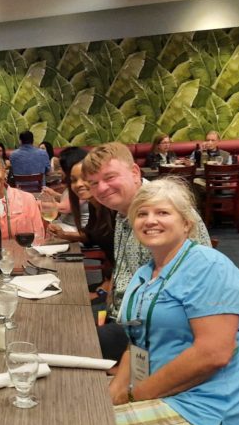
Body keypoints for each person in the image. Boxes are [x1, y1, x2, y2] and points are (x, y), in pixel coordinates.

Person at [110, 178, 239, 425]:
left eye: (162, 212)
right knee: (76, 403)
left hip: (212, 416)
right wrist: (113, 395)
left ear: (186, 223)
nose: (150, 220)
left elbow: (212, 354)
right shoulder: (146, 273)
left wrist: (133, 396)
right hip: (165, 393)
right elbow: (136, 343)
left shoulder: (209, 267)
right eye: (142, 214)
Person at [81, 142, 211, 361]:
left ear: (134, 172)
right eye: (94, 183)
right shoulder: (123, 212)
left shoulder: (162, 214)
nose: (101, 188)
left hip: (155, 332)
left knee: (73, 340)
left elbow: (184, 306)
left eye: (110, 177)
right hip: (121, 314)